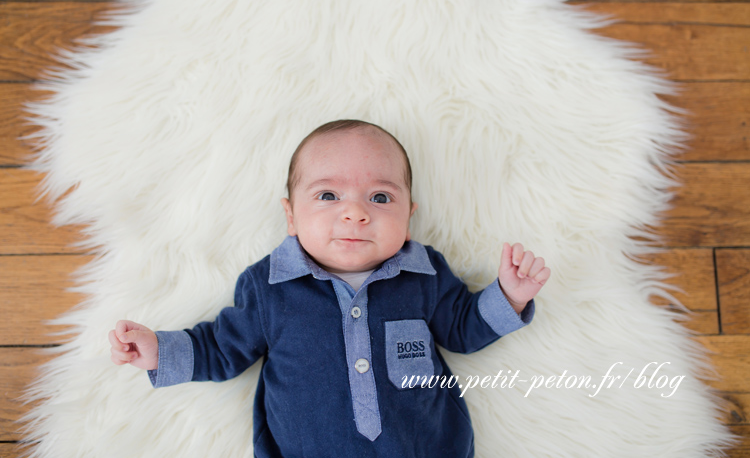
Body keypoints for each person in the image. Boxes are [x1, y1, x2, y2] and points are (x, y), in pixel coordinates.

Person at [109, 119, 551, 457]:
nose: (355, 213)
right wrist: (159, 351)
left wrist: (509, 295)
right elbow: (222, 347)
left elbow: (462, 328)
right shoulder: (270, 288)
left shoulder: (424, 274)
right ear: (290, 215)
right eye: (327, 196)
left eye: (380, 198)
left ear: (409, 215)